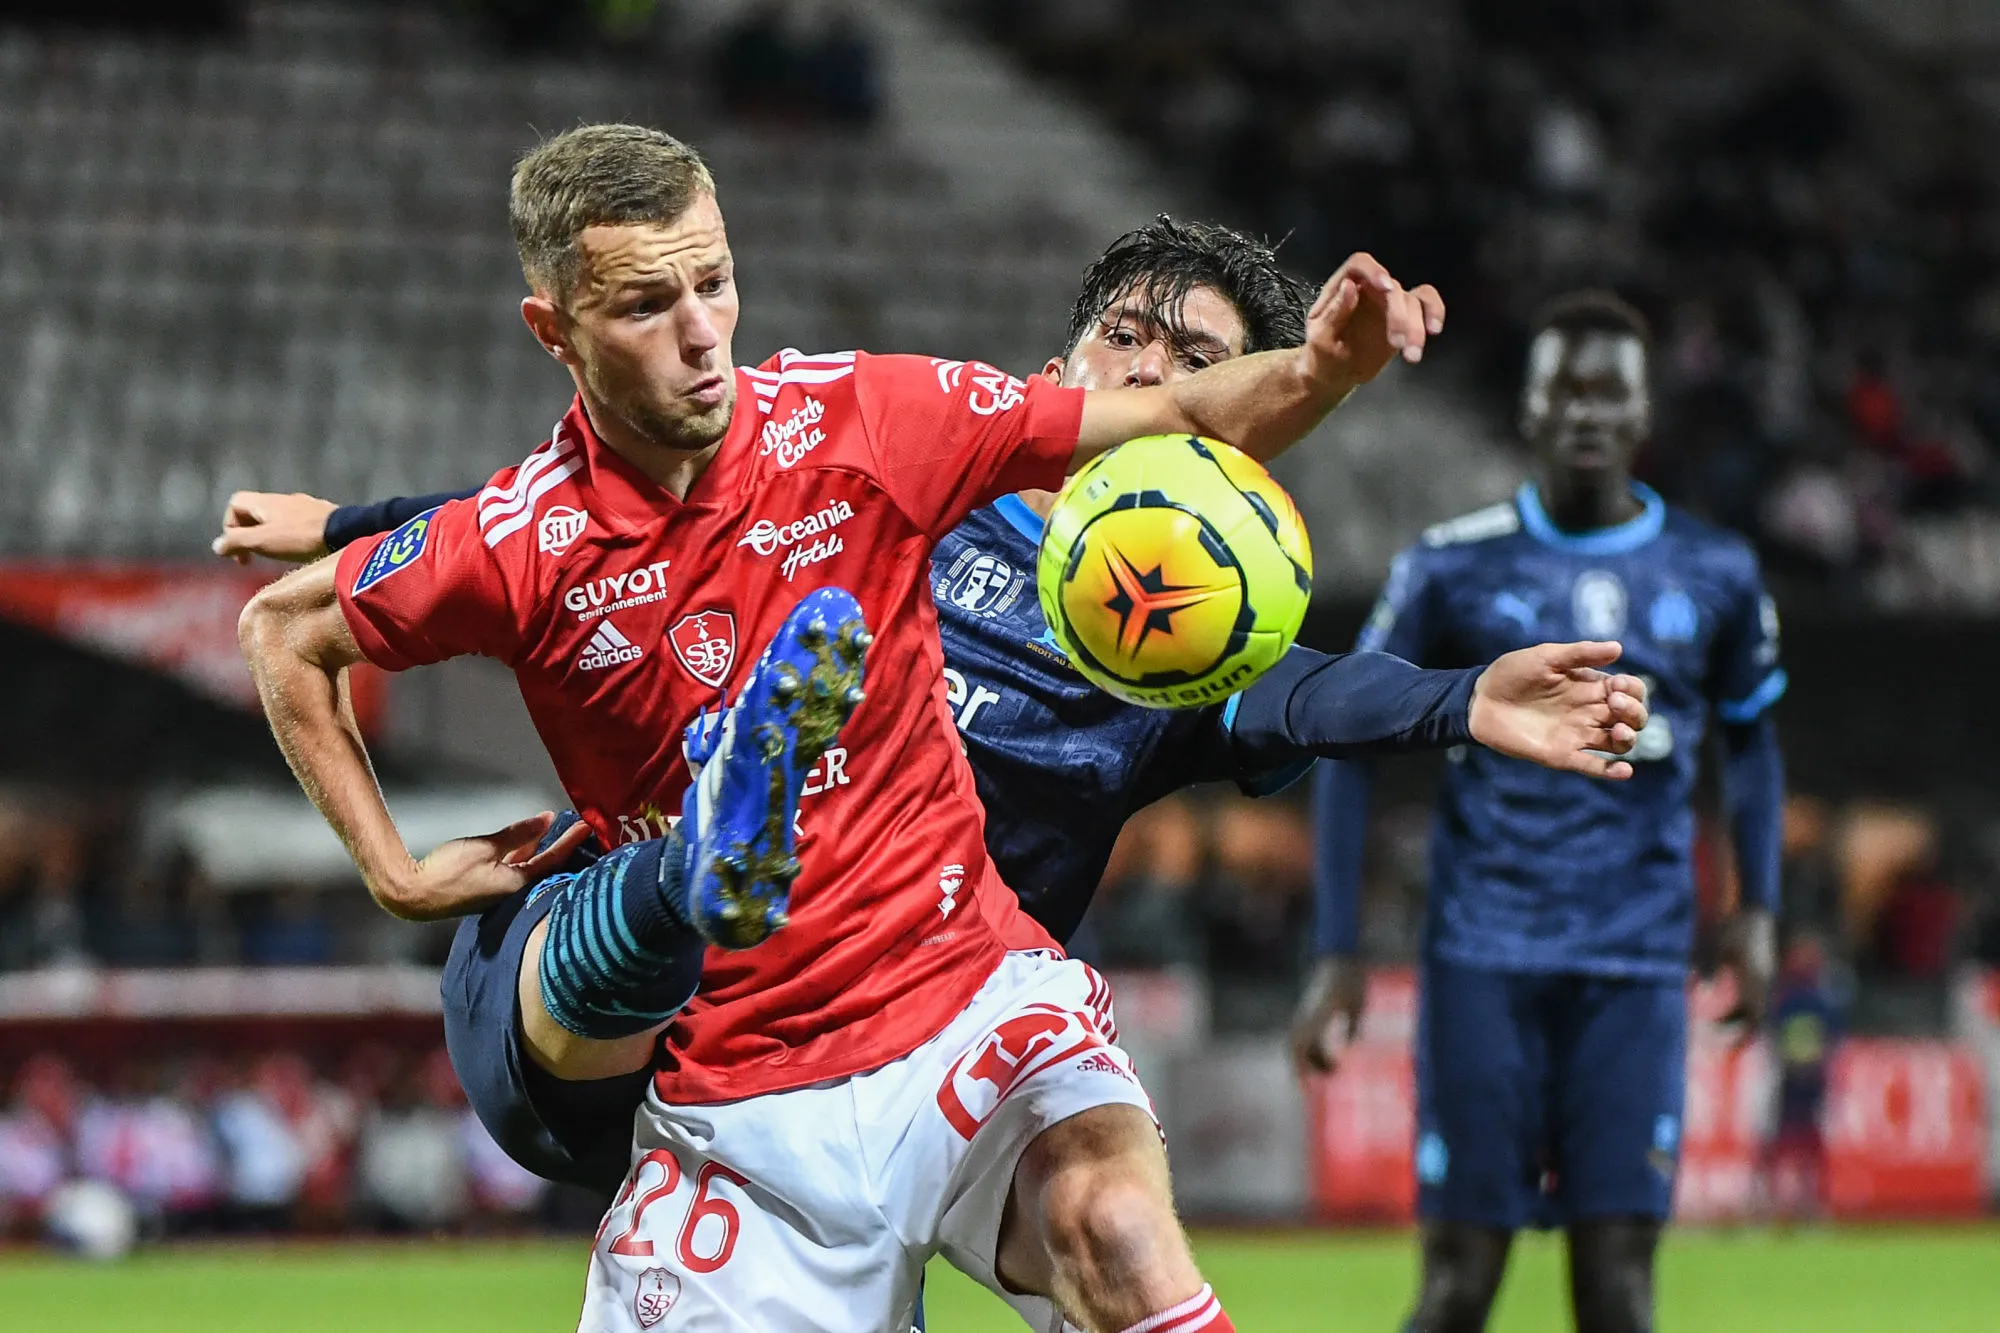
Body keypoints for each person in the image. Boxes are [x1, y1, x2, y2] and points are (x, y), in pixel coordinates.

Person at [238, 122, 1449, 1333]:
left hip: (949, 990)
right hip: (688, 1041)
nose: (703, 330)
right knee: (632, 919)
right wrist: (395, 872)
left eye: (713, 282)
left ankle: (718, 832)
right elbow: (441, 564)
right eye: (650, 301)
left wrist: (1331, 394)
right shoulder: (564, 529)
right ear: (553, 330)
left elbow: (1297, 659)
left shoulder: (937, 467)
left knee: (1116, 1229)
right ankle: (699, 860)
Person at [1296, 290, 1787, 1333]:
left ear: (1643, 410)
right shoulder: (1449, 565)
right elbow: (1342, 742)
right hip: (1483, 959)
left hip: (1636, 968)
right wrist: (1335, 945)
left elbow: (1750, 743)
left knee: (1616, 1290)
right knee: (1457, 1282)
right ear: (1523, 407)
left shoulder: (1715, 572)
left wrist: (1754, 911)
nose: (1584, 412)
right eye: (1561, 388)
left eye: (1608, 392)